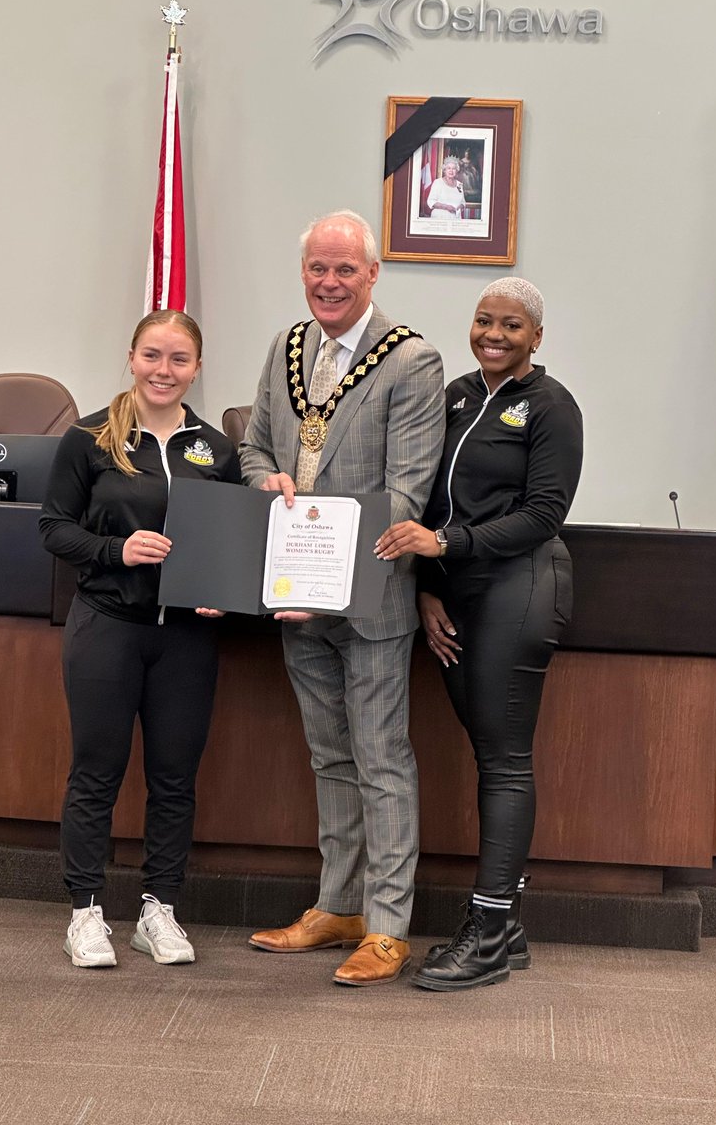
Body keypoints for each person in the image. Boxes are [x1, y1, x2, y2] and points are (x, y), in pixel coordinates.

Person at [240, 210, 445, 987]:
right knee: (329, 757)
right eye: (318, 269)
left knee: (381, 759)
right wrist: (268, 482)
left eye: (344, 271)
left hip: (369, 601)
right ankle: (339, 906)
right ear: (304, 273)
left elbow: (406, 492)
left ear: (372, 275)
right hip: (295, 600)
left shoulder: (412, 361)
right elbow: (255, 446)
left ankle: (388, 926)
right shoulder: (288, 347)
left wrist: (322, 581)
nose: (329, 283)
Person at [375, 277, 583, 991]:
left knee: (503, 759)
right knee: (488, 751)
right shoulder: (457, 394)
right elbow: (431, 495)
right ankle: (509, 925)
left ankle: (489, 930)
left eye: (512, 326)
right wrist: (429, 587)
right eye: (484, 320)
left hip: (520, 588)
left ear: (536, 337)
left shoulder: (553, 408)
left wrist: (445, 547)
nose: (494, 334)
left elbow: (543, 514)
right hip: (458, 594)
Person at [39, 309, 241, 968]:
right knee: (96, 773)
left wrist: (224, 590)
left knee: (175, 778)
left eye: (179, 359)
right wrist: (116, 549)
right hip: (108, 628)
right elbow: (53, 529)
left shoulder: (215, 448)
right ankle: (86, 912)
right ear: (131, 358)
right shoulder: (90, 438)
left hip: (184, 640)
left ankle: (159, 910)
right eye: (153, 356)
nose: (164, 370)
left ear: (197, 369)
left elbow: (234, 541)